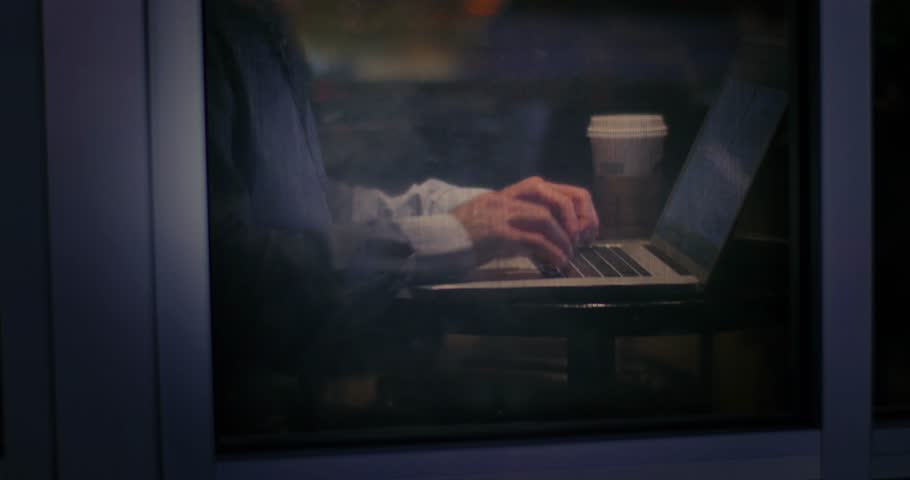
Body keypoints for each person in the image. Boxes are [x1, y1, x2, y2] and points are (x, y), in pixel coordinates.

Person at [204, 0, 598, 432]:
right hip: (250, 427)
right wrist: (448, 234)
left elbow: (304, 206)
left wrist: (478, 211)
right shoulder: (201, 35)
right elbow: (236, 272)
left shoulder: (263, 28)